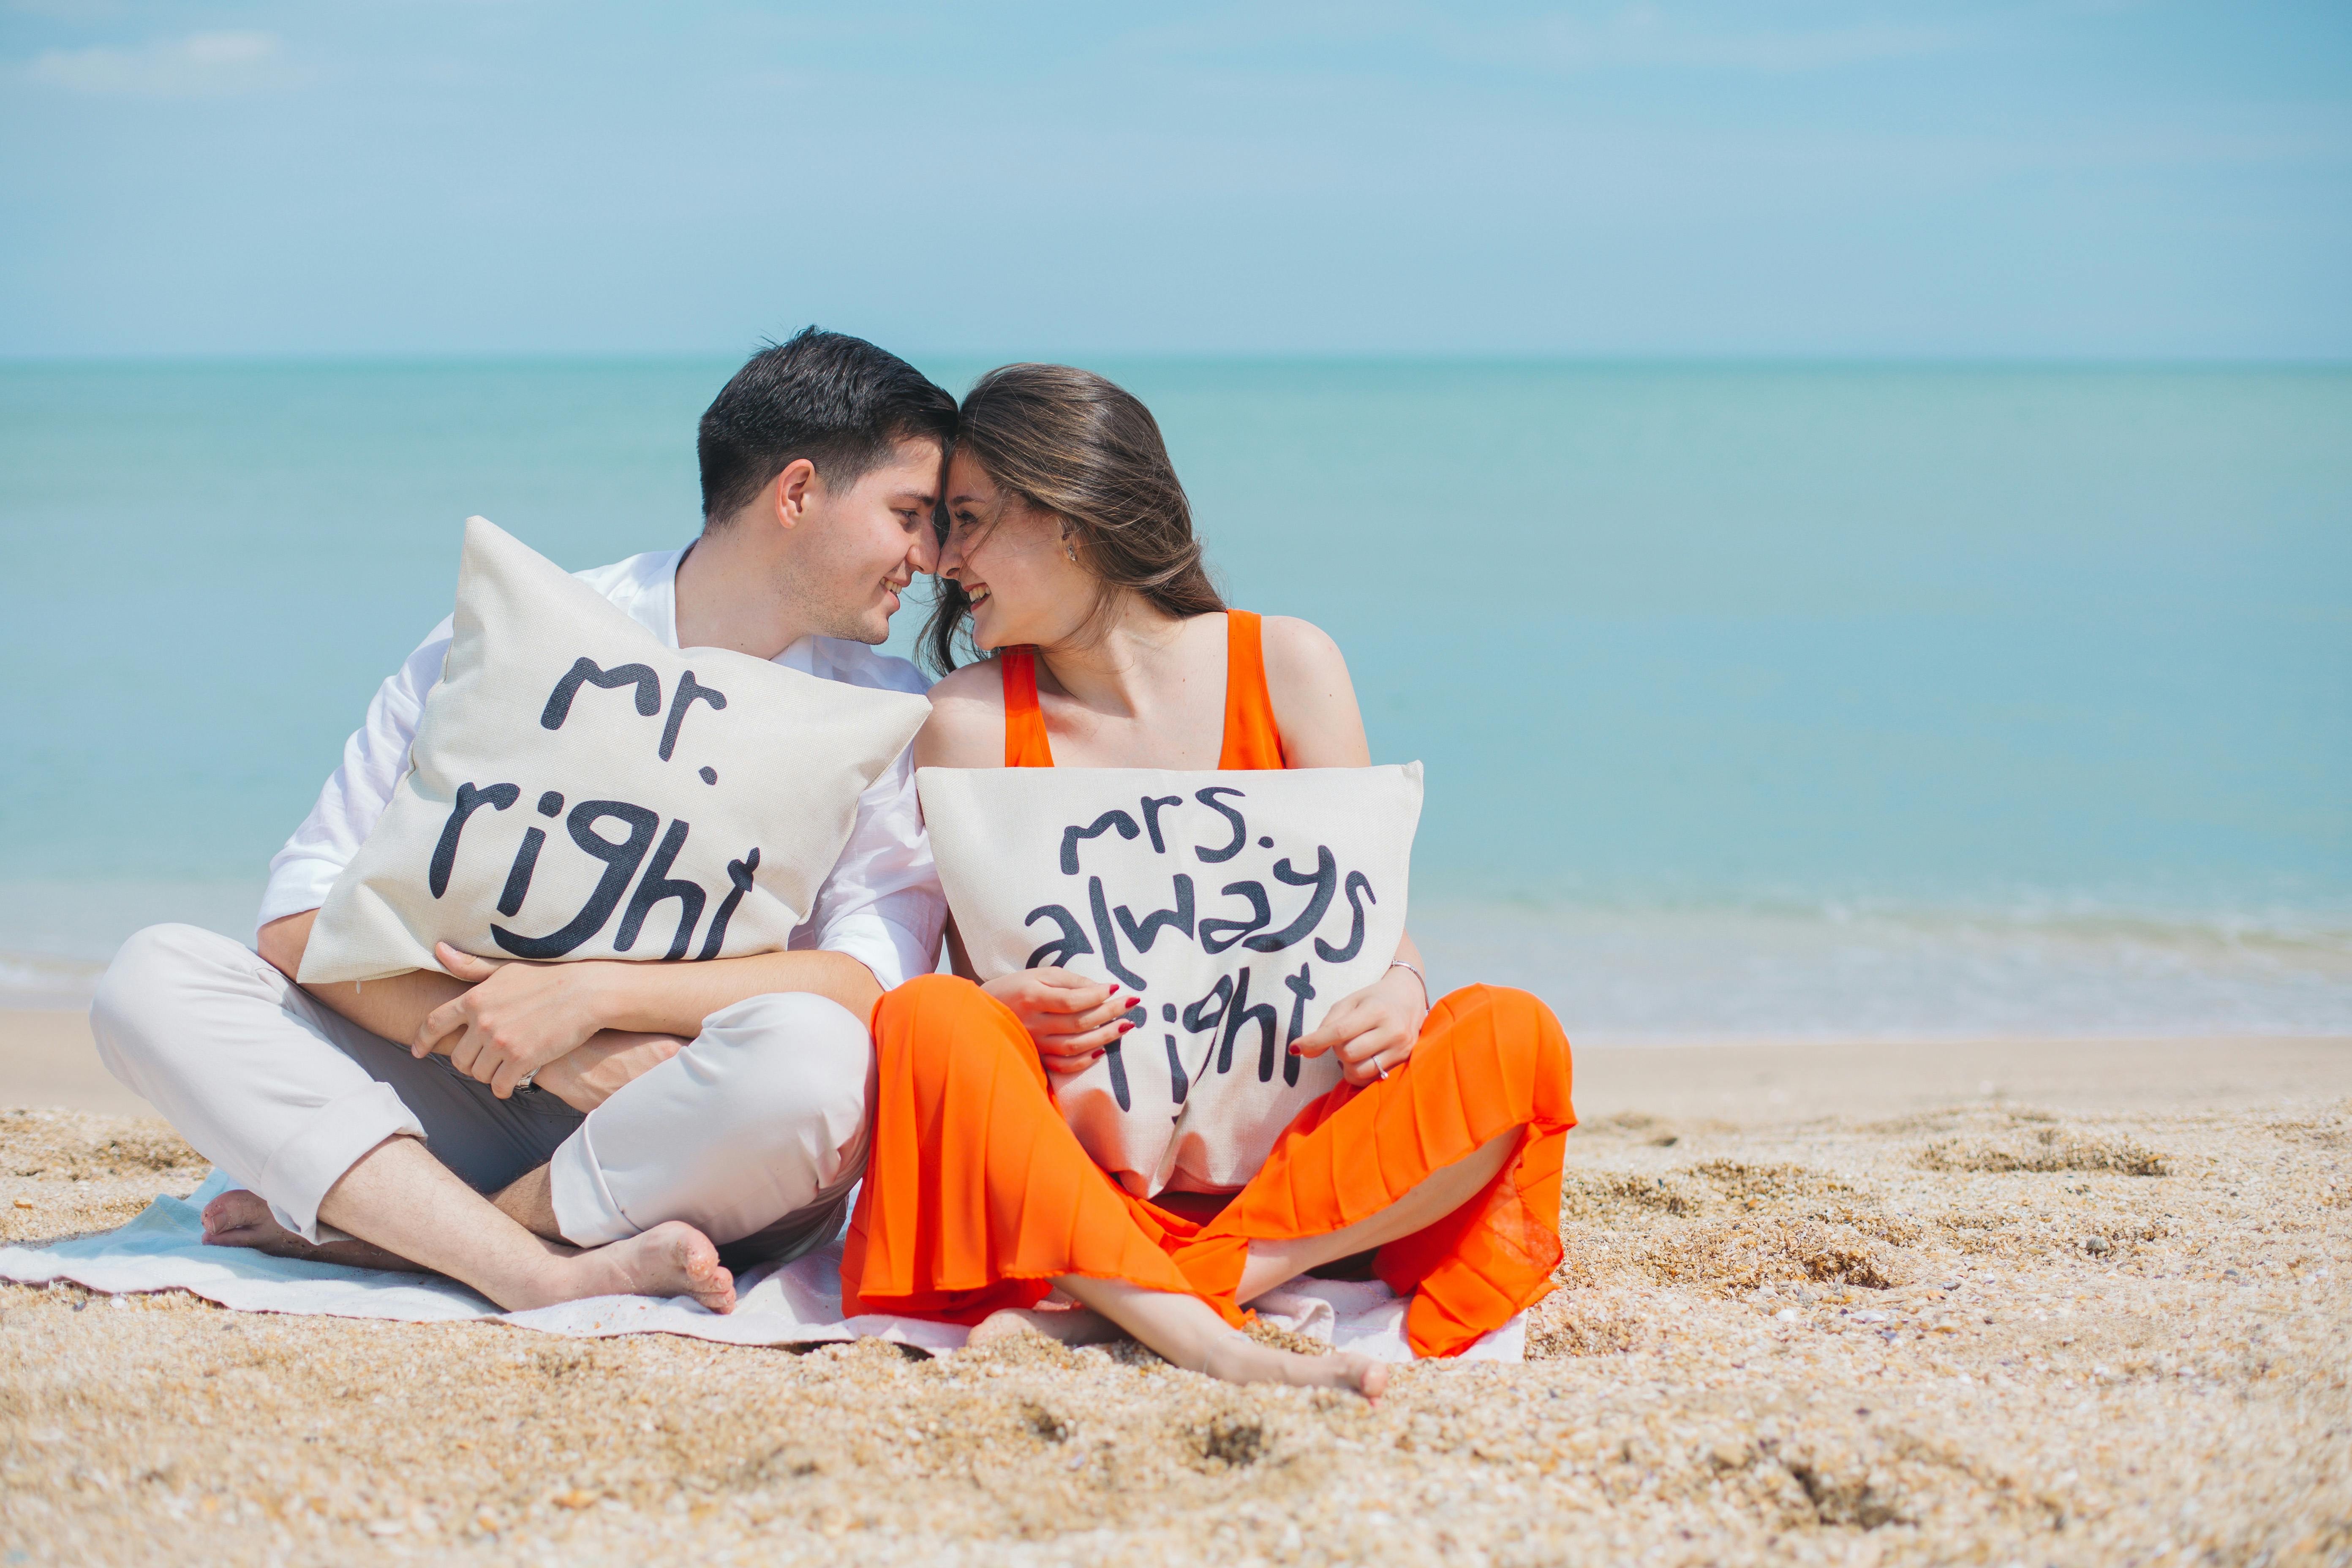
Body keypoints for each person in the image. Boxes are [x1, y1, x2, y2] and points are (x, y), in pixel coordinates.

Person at [90, 328, 956, 1315]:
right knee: (155, 976)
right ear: (797, 494)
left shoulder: (880, 709)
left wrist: (590, 994)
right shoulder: (517, 631)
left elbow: (868, 987)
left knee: (817, 1061)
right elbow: (298, 917)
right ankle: (525, 1265)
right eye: (908, 515)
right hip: (451, 1083)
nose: (928, 558)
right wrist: (541, 1041)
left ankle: (407, 1236)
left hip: (687, 1115)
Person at [843, 364, 1576, 1398]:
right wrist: (995, 1003)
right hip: (1087, 1184)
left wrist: (1404, 989)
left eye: (966, 520)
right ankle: (1219, 1341)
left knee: (1514, 1031)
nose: (942, 559)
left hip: (1306, 1175)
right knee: (927, 1018)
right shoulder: (967, 718)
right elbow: (986, 988)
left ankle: (1198, 1284)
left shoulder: (1287, 662)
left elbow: (1363, 916)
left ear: (1069, 516)